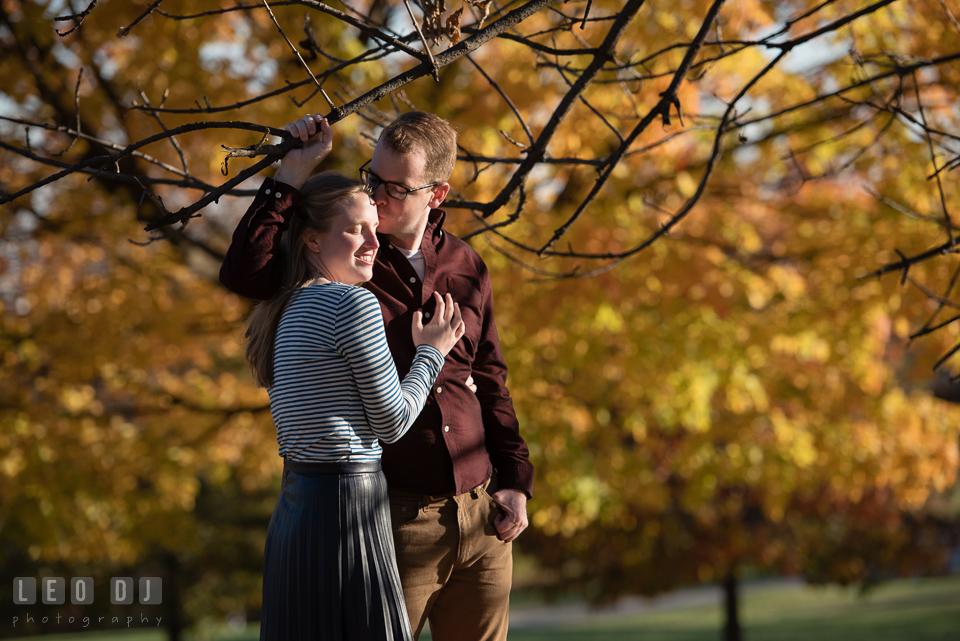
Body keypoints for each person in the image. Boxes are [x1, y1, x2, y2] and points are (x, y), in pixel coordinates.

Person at [222, 112, 534, 641]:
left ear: (437, 194)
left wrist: (516, 480)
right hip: (391, 520)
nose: (378, 197)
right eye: (373, 178)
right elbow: (246, 272)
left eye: (394, 187)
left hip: (482, 516)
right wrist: (292, 174)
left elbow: (491, 379)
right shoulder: (350, 259)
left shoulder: (465, 264)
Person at [246, 169, 465, 641]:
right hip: (349, 506)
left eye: (373, 228)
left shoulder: (282, 308)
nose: (372, 241)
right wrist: (432, 353)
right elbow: (393, 423)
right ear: (310, 240)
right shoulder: (352, 305)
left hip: (294, 511)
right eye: (354, 230)